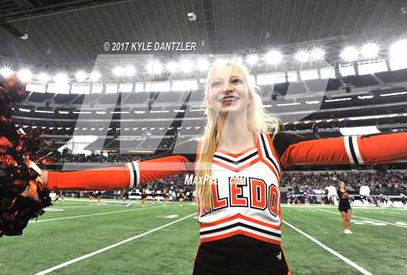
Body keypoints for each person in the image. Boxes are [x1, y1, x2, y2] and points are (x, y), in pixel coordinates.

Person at [39, 63, 407, 275]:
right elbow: (130, 174)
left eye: (236, 81)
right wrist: (51, 179)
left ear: (250, 93)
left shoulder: (277, 143)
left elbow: (360, 149)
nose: (226, 88)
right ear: (208, 97)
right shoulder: (195, 150)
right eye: (217, 83)